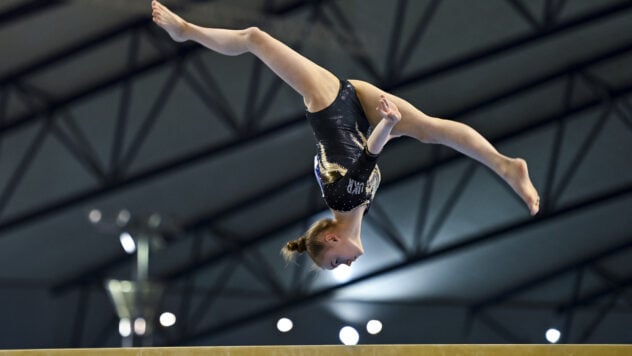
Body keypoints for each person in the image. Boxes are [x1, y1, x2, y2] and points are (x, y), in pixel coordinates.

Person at [151, 0, 540, 270]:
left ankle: (185, 32)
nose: (347, 265)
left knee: (255, 38)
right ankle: (504, 165)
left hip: (330, 105)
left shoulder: (343, 199)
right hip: (357, 115)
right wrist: (382, 126)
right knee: (429, 130)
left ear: (333, 240)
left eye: (336, 262)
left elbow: (367, 158)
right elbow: (357, 158)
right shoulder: (357, 207)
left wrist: (387, 126)